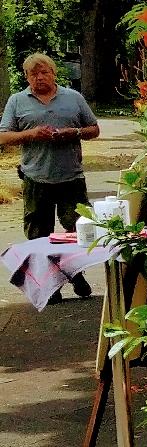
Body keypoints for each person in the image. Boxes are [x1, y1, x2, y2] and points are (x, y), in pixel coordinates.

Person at [0, 53, 100, 303]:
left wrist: (71, 132)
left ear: (54, 74)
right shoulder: (17, 101)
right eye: (33, 74)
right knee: (38, 237)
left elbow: (93, 129)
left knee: (78, 232)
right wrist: (32, 134)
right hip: (36, 179)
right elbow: (4, 137)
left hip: (71, 178)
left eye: (44, 72)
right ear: (26, 77)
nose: (39, 77)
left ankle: (75, 273)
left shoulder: (73, 98)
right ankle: (50, 286)